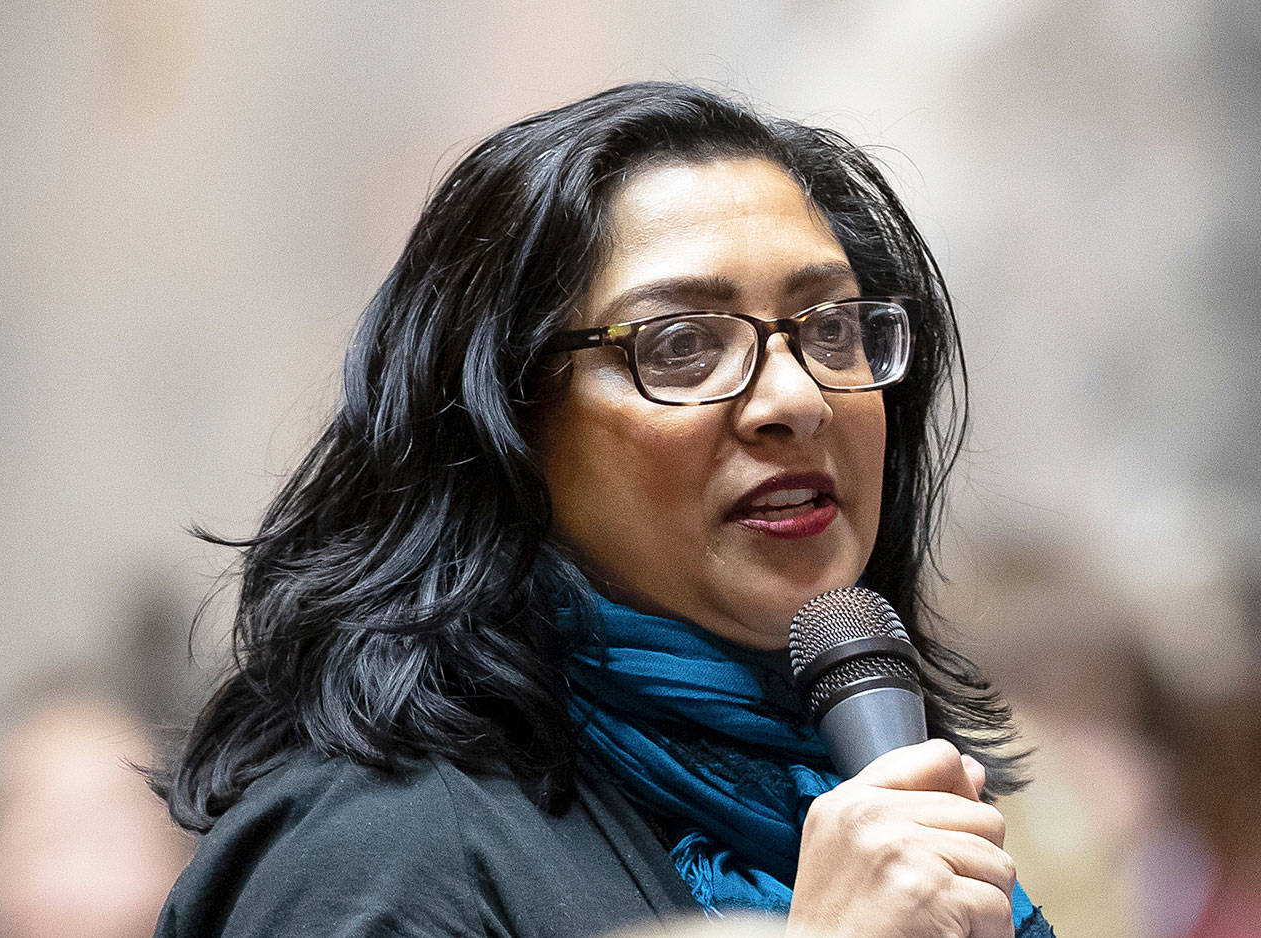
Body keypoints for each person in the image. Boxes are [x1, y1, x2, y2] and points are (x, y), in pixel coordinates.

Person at [151, 82, 1054, 937]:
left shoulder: (902, 821)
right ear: (504, 424)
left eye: (831, 328)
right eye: (682, 344)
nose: (799, 398)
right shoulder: (371, 860)